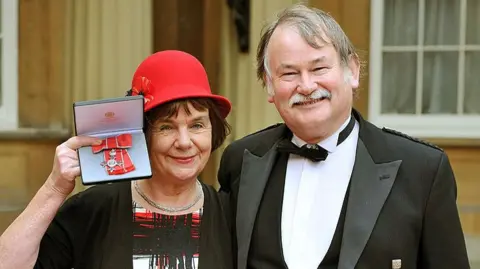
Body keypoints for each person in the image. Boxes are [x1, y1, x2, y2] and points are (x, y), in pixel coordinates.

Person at [217, 4, 470, 269]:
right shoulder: (241, 162)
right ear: (269, 85)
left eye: (319, 69)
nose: (306, 86)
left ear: (353, 71)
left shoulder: (423, 171)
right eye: (289, 73)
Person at [0, 50, 234, 269]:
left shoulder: (232, 215)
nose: (184, 142)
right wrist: (54, 188)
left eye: (197, 125)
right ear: (141, 134)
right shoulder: (93, 210)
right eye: (166, 127)